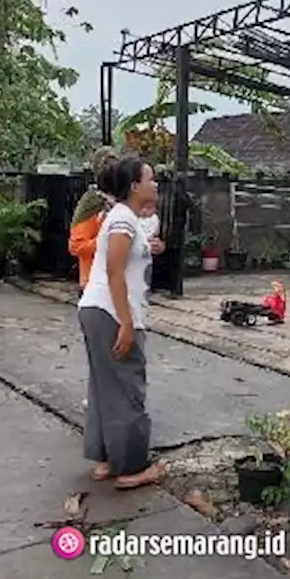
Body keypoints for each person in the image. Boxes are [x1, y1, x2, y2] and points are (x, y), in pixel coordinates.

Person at [77, 155, 167, 489]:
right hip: (111, 312)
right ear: (134, 186)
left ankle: (105, 460)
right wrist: (127, 323)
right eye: (150, 179)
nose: (155, 184)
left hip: (99, 309)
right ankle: (130, 469)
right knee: (128, 385)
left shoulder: (125, 218)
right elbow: (115, 271)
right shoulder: (122, 221)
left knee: (104, 386)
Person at [68, 147, 120, 296]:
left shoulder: (123, 200)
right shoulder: (91, 203)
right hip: (94, 283)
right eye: (107, 166)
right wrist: (105, 241)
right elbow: (76, 246)